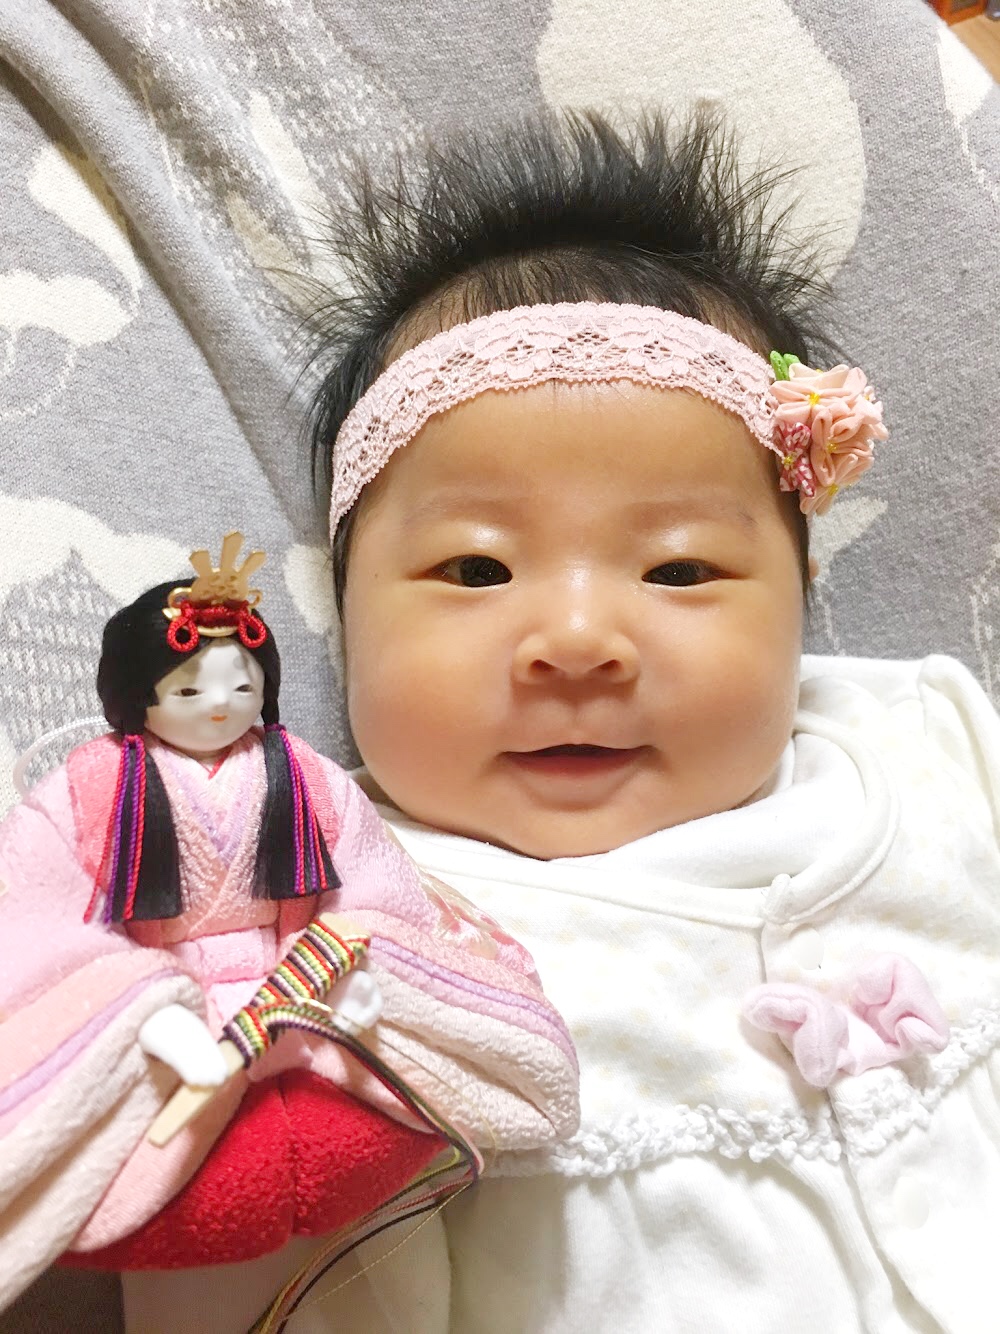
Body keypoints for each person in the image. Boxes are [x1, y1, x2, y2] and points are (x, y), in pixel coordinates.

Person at [283, 110, 1000, 1331]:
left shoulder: (928, 744)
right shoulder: (347, 925)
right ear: (346, 616)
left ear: (800, 598)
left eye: (678, 570)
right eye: (473, 568)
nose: (576, 639)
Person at [0, 534, 578, 1315]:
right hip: (169, 1017)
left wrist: (355, 972)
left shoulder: (300, 772)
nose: (219, 706)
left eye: (242, 686)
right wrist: (146, 1011)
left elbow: (370, 881)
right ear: (138, 694)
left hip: (298, 1003)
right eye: (189, 689)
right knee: (186, 1236)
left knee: (367, 1219)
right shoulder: (91, 786)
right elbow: (37, 913)